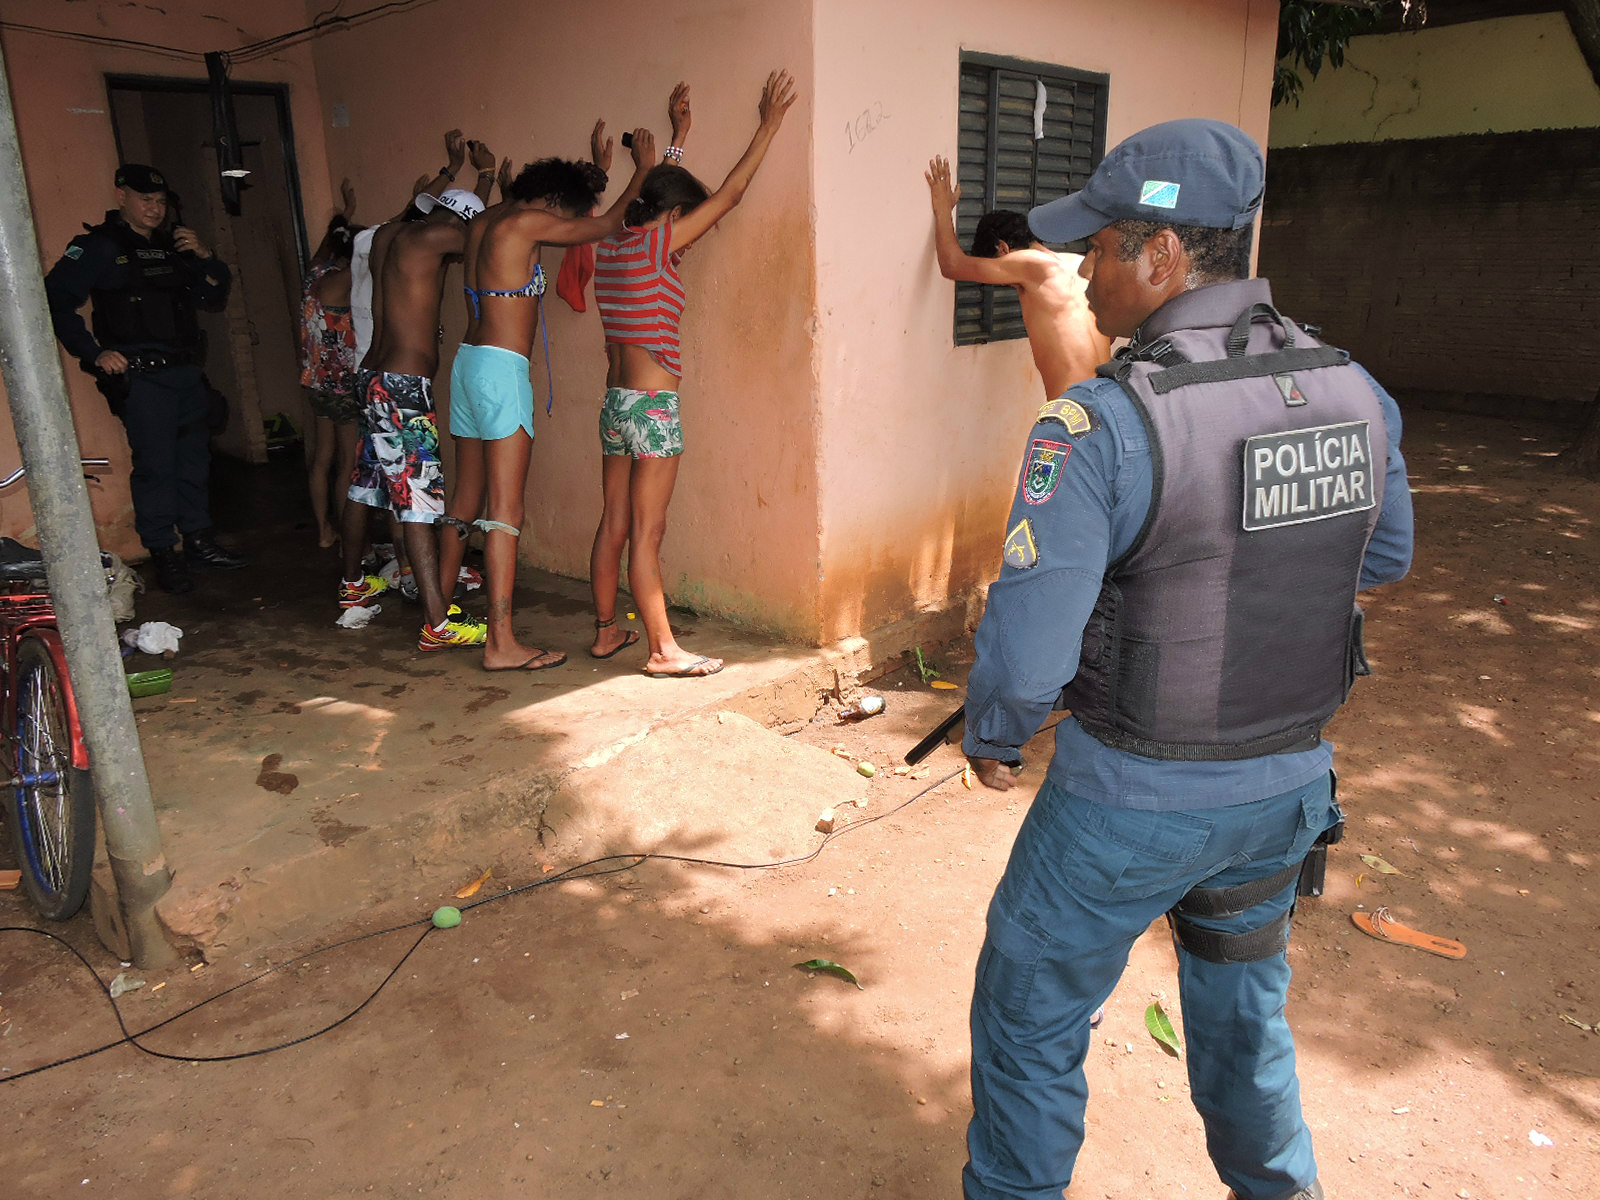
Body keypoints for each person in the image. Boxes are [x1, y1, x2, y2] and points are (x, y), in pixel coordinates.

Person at [958, 119, 1415, 1200]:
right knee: (1243, 1023)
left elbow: (1028, 657)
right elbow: (1382, 557)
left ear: (1160, 255)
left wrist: (993, 737)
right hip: (1283, 788)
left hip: (1128, 800)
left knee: (1028, 1020)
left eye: (1100, 246)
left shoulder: (1099, 422)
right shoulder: (1352, 387)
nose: (1081, 268)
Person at [588, 71, 795, 677]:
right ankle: (662, 650)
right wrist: (769, 125)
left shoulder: (615, 251)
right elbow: (727, 195)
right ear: (675, 215)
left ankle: (606, 633)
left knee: (614, 524)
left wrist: (679, 138)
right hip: (653, 410)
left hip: (616, 405)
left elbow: (659, 199)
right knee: (648, 534)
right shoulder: (657, 250)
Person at [438, 125, 656, 672]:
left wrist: (596, 170)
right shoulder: (526, 221)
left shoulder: (485, 221)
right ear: (552, 201)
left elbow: (570, 216)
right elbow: (603, 224)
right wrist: (644, 170)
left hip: (467, 365)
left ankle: (437, 620)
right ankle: (500, 643)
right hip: (501, 371)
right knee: (505, 514)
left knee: (465, 502)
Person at [44, 162, 248, 593]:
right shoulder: (98, 247)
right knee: (157, 468)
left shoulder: (173, 247)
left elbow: (211, 297)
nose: (155, 209)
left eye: (160, 202)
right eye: (145, 200)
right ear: (122, 196)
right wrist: (95, 353)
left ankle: (199, 541)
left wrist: (208, 257)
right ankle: (163, 553)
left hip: (186, 372)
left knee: (195, 462)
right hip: (143, 378)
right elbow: (55, 301)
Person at [336, 140, 500, 650]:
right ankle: (437, 624)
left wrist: (479, 179)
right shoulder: (432, 240)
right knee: (420, 505)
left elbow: (441, 218)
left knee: (366, 487)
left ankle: (353, 587)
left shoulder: (389, 235)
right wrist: (494, 185)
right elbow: (481, 238)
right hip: (404, 391)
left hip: (374, 381)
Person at [925, 157, 1110, 399]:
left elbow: (952, 265)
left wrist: (942, 208)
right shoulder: (1078, 264)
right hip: (1107, 402)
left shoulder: (1029, 263)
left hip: (1073, 411)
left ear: (1002, 249)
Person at [300, 180, 361, 548]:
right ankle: (352, 541)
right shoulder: (342, 281)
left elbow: (328, 243)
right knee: (348, 466)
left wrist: (346, 214)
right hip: (341, 386)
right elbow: (381, 244)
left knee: (323, 459)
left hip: (315, 382)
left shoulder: (315, 274)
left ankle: (324, 530)